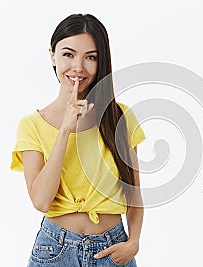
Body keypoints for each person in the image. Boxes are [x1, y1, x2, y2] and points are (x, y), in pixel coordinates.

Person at [10, 13, 146, 267]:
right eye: (68, 55)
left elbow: (134, 195)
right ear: (52, 55)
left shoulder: (120, 118)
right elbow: (40, 201)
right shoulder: (31, 125)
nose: (78, 68)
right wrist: (65, 129)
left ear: (101, 61)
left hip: (112, 249)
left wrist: (134, 242)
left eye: (90, 57)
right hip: (54, 251)